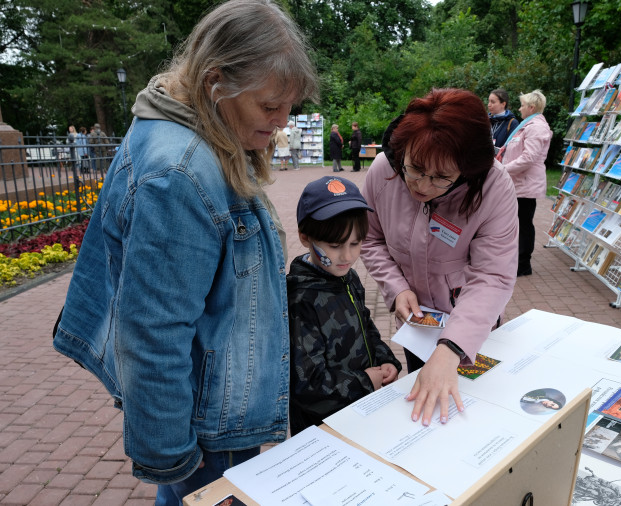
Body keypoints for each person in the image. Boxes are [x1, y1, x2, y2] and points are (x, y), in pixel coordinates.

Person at [51, 1, 319, 504]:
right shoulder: (182, 171)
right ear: (216, 82)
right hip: (207, 414)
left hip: (204, 396)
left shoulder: (180, 122)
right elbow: (152, 330)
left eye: (290, 105)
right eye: (269, 105)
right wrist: (170, 454)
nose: (283, 121)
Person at [361, 88, 519, 426]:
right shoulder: (383, 171)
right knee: (426, 416)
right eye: (415, 168)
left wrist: (452, 347)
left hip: (474, 324)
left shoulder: (493, 186)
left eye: (442, 178)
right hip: (417, 325)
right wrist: (397, 288)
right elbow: (370, 238)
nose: (422, 185)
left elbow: (494, 275)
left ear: (467, 171)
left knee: (473, 415)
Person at [287, 176, 402, 436]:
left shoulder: (347, 277)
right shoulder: (300, 298)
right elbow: (307, 385)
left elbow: (366, 325)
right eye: (335, 245)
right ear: (305, 237)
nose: (348, 256)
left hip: (361, 413)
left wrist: (386, 359)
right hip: (323, 430)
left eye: (356, 243)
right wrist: (364, 383)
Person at [497, 89, 553, 277]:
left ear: (531, 107)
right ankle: (516, 261)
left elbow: (529, 157)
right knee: (517, 223)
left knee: (524, 223)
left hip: (525, 185)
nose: (519, 109)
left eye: (522, 105)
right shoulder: (527, 125)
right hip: (518, 184)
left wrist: (503, 169)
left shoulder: (536, 127)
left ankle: (523, 264)